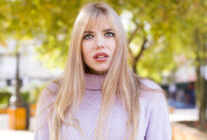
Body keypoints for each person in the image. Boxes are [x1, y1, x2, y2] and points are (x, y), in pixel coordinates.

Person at [34, 2, 171, 140]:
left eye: (109, 34)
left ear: (120, 41)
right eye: (88, 36)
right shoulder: (54, 96)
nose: (99, 44)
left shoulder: (148, 95)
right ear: (78, 45)